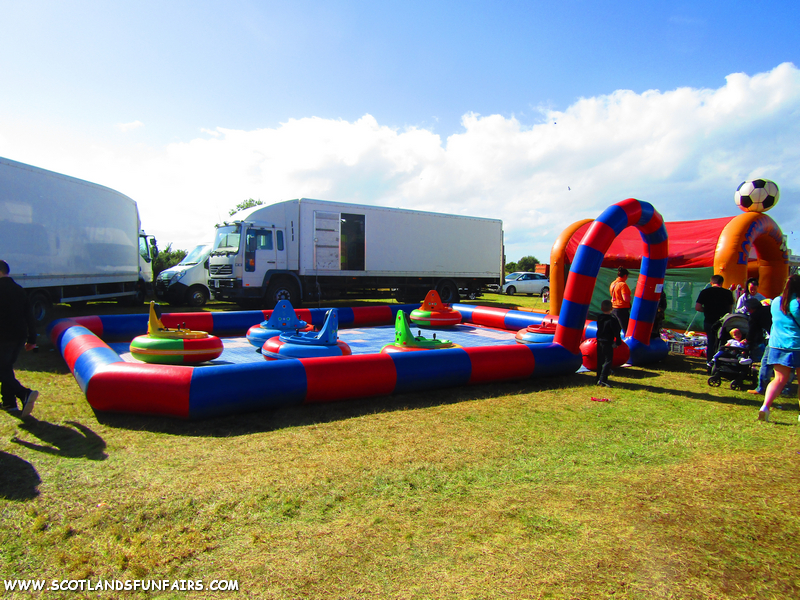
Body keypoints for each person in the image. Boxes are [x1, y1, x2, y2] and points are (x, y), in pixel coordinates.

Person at [757, 274, 800, 421]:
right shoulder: (797, 304)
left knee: (778, 379)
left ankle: (765, 406)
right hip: (796, 345)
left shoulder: (776, 301)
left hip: (777, 344)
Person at [0, 260, 38, 418]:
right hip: (19, 336)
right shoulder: (19, 290)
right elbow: (29, 316)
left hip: (3, 336)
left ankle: (24, 393)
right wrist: (32, 339)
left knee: (2, 370)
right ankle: (9, 403)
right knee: (6, 367)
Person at [695, 274, 734, 362]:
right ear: (722, 283)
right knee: (723, 342)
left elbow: (697, 307)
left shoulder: (705, 292)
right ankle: (721, 362)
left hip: (709, 321)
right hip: (723, 321)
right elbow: (730, 309)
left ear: (711, 282)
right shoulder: (728, 293)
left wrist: (707, 310)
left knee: (711, 342)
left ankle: (710, 362)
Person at [596, 299, 622, 388]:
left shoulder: (600, 317)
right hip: (607, 342)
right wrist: (618, 341)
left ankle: (598, 377)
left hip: (599, 341)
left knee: (600, 360)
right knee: (608, 361)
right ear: (611, 308)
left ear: (601, 308)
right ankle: (603, 380)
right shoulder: (612, 319)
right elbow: (616, 331)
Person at [609, 267, 632, 336]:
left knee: (615, 327)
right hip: (622, 309)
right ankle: (627, 342)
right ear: (625, 276)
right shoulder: (623, 285)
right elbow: (626, 299)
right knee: (626, 328)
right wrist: (630, 297)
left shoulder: (613, 283)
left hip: (613, 307)